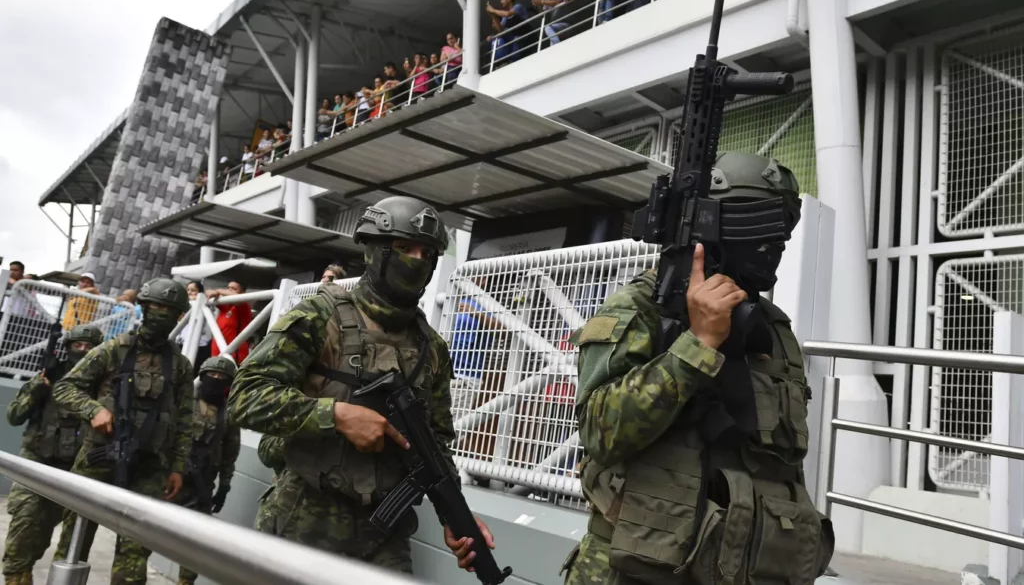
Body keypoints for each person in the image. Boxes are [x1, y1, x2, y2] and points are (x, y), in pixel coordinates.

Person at [561, 153, 834, 585]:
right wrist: (699, 344)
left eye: (782, 229)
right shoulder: (640, 309)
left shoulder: (774, 330)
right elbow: (601, 432)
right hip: (632, 570)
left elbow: (782, 466)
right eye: (760, 225)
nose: (773, 245)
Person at [228, 195, 495, 575]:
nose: (416, 261)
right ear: (374, 252)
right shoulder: (321, 315)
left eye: (426, 253)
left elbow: (434, 443)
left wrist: (455, 514)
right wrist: (335, 415)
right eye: (404, 249)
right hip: (303, 521)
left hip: (386, 536)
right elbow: (245, 395)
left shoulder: (430, 348)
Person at [51, 278, 195, 584]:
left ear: (179, 315)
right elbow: (65, 388)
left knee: (134, 555)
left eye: (170, 309)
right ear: (144, 307)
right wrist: (94, 410)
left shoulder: (180, 366)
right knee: (73, 542)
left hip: (150, 466)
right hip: (99, 457)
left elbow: (185, 422)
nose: (162, 313)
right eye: (156, 306)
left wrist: (178, 468)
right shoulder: (114, 349)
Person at [1, 325, 104, 585]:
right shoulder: (46, 377)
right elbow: (14, 416)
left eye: (89, 348)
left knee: (44, 531)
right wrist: (37, 388)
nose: (82, 351)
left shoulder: (101, 388)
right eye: (77, 346)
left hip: (73, 469)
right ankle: (15, 577)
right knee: (25, 522)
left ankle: (26, 570)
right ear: (67, 347)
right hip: (36, 462)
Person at [175, 356, 240, 585]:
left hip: (202, 486)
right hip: (172, 481)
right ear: (202, 376)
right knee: (142, 540)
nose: (216, 380)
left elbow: (230, 454)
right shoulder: (184, 401)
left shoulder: (228, 413)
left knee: (194, 548)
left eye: (222, 378)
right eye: (211, 375)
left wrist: (224, 486)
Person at [206, 281, 253, 364]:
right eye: (228, 288)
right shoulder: (226, 306)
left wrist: (219, 291)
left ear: (243, 293)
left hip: (233, 357)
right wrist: (214, 293)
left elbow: (238, 299)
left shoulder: (244, 306)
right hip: (217, 354)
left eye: (234, 289)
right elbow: (206, 293)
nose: (229, 290)